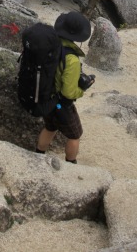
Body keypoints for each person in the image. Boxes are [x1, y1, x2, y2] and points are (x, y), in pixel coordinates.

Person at [36, 11, 95, 164]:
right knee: (75, 135)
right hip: (61, 103)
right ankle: (71, 164)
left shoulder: (49, 46)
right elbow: (68, 92)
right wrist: (82, 89)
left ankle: (38, 155)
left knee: (50, 127)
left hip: (45, 98)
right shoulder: (72, 59)